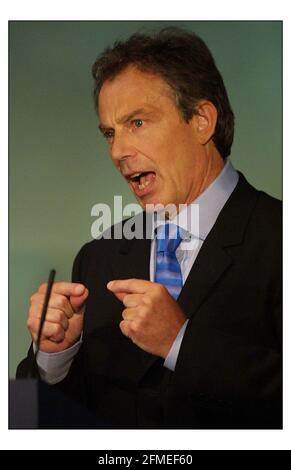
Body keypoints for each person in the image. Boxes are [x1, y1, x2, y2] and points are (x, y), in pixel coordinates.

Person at [17, 28, 282, 429]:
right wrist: (55, 355)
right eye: (110, 132)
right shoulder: (98, 257)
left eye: (137, 122)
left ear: (201, 121)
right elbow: (32, 420)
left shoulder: (279, 238)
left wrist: (181, 343)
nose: (118, 151)